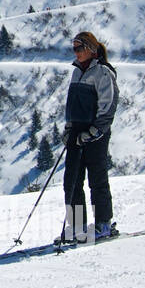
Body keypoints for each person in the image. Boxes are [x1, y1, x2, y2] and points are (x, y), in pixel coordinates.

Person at [57, 31, 119, 243]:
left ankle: (104, 225)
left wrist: (95, 131)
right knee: (71, 181)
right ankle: (77, 226)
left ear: (91, 50)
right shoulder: (77, 72)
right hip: (76, 133)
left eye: (79, 48)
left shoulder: (102, 72)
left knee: (97, 180)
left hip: (95, 134)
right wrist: (68, 128)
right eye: (73, 48)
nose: (75, 52)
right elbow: (71, 105)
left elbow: (108, 106)